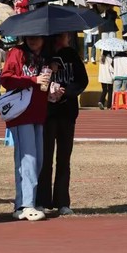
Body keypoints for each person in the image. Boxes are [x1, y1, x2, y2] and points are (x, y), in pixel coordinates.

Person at [1, 35, 52, 222]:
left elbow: (42, 85)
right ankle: (24, 205)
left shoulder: (45, 58)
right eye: (29, 36)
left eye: (36, 36)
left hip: (38, 113)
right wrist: (32, 79)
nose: (32, 40)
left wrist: (51, 90)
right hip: (21, 113)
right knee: (27, 159)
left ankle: (28, 201)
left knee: (38, 160)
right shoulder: (16, 53)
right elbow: (6, 79)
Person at [38, 32, 88, 216]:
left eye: (65, 36)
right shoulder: (43, 55)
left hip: (67, 113)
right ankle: (42, 201)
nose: (63, 39)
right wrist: (48, 70)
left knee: (64, 159)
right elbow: (37, 81)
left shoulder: (72, 55)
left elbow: (82, 80)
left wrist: (66, 92)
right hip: (47, 114)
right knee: (45, 159)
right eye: (59, 36)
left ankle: (62, 202)